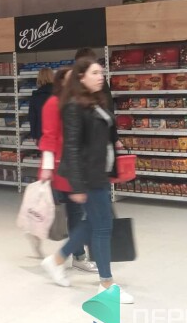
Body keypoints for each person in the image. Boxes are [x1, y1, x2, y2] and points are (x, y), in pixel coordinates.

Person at [40, 58, 133, 303]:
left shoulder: (96, 101)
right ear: (81, 77)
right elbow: (71, 148)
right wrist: (77, 185)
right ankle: (106, 284)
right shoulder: (73, 106)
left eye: (101, 72)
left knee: (94, 223)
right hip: (88, 176)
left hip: (100, 172)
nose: (100, 76)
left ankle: (57, 259)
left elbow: (105, 137)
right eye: (95, 73)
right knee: (102, 227)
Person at [34, 68, 97, 273]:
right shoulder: (54, 103)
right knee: (69, 211)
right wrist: (47, 167)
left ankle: (79, 255)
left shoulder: (79, 102)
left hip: (77, 166)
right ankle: (75, 254)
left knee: (78, 212)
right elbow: (49, 136)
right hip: (61, 168)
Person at [28, 67, 54, 144]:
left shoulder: (35, 96)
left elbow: (32, 117)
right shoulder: (58, 94)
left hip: (41, 134)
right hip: (56, 134)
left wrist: (34, 135)